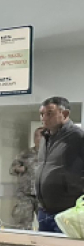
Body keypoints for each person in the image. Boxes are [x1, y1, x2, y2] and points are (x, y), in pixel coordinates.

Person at [36, 96, 84, 233]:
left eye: (49, 113)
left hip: (67, 212)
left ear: (65, 114)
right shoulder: (45, 138)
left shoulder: (77, 137)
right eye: (42, 114)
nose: (44, 118)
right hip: (44, 211)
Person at [9, 127, 44, 230]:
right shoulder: (25, 154)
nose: (38, 138)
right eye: (36, 136)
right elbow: (11, 169)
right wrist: (18, 169)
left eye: (40, 136)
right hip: (25, 195)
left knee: (46, 224)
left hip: (43, 196)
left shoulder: (51, 154)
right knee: (23, 225)